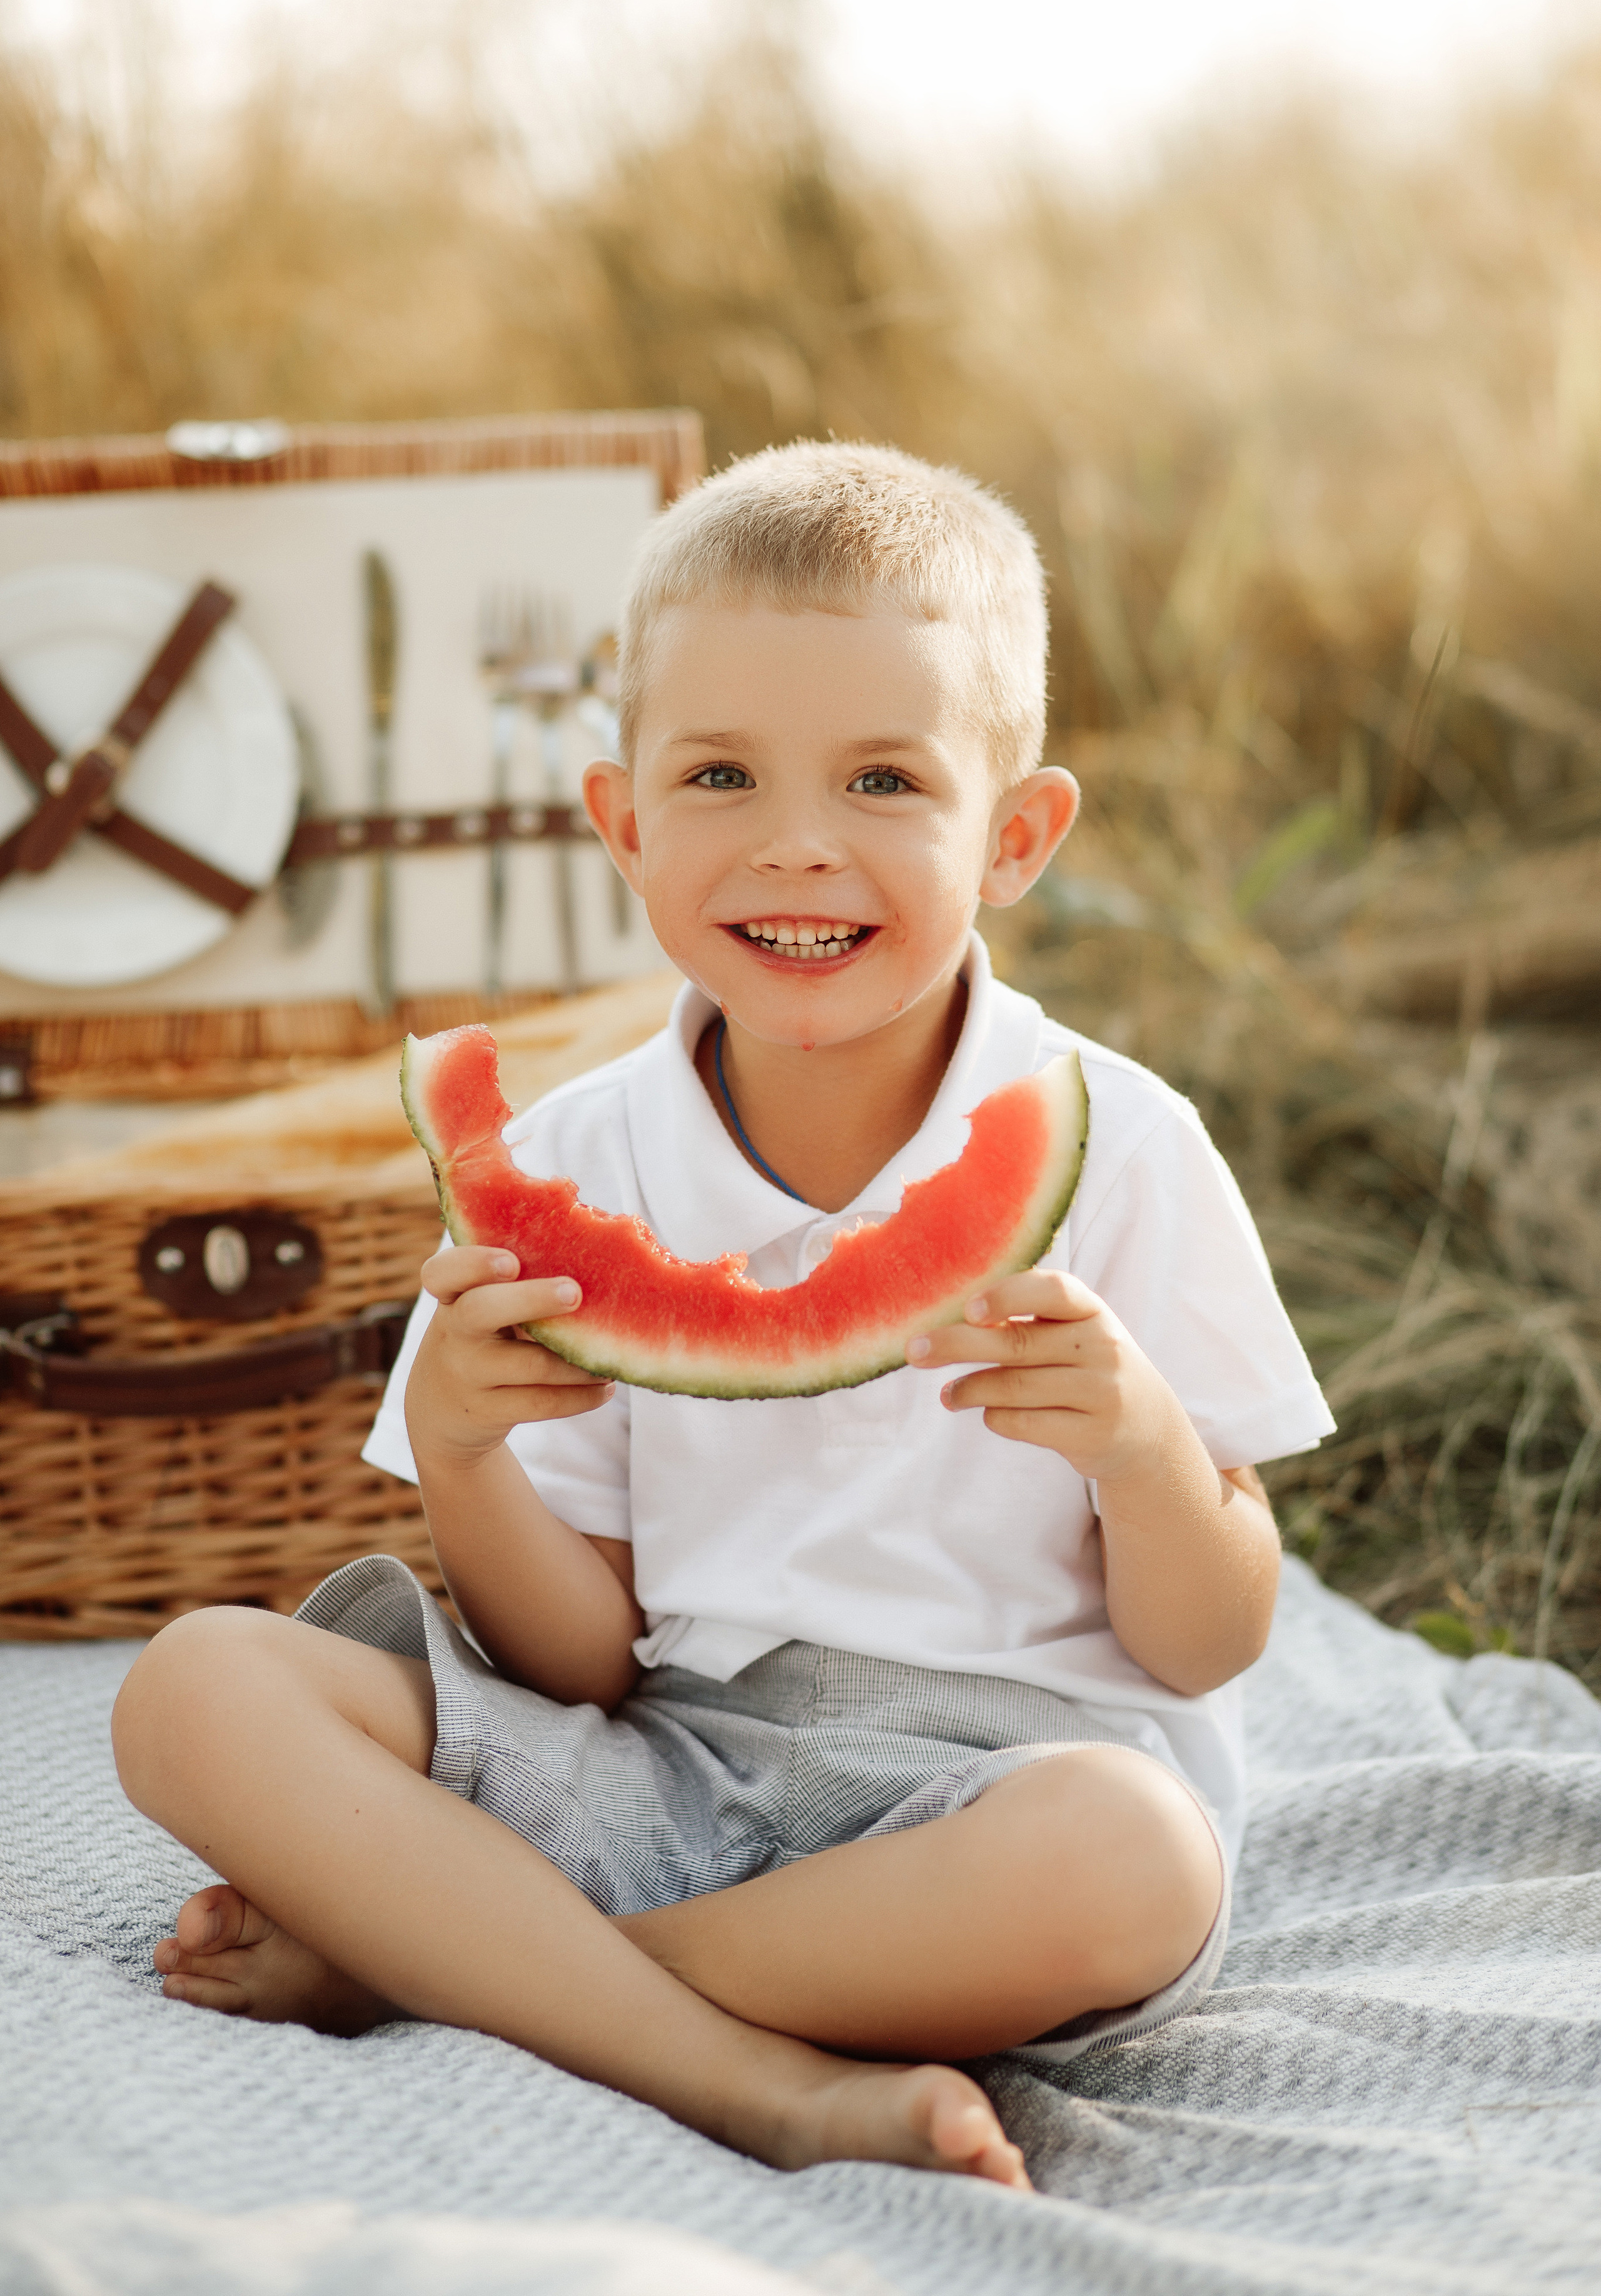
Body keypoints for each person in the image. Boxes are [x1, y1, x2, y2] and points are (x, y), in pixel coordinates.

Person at [112, 442, 1333, 2193]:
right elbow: (581, 1667)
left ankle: (455, 1968)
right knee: (195, 1687)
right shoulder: (571, 1162)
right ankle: (752, 2074)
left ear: (1016, 838)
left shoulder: (1121, 1145)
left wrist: (1145, 1456)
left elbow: (1211, 1642)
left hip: (986, 1810)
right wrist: (462, 1457)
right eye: (721, 775)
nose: (797, 846)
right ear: (624, 822)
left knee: (1135, 1857)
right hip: (666, 1767)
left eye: (885, 780)